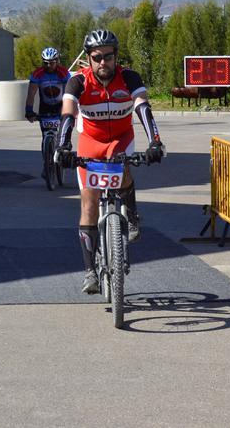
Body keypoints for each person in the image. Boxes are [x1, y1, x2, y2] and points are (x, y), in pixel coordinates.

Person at [55, 29, 165, 294]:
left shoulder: (129, 77)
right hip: (91, 141)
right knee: (89, 202)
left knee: (124, 170)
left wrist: (155, 141)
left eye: (108, 56)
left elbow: (142, 107)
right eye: (97, 57)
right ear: (88, 59)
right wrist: (63, 146)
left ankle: (132, 213)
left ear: (116, 56)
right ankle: (90, 271)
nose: (103, 62)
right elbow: (68, 113)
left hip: (121, 138)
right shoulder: (78, 82)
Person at [25, 47, 71, 174]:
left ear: (57, 61)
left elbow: (68, 93)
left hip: (61, 105)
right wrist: (29, 110)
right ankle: (46, 163)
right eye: (45, 63)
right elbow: (31, 94)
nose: (48, 65)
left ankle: (65, 145)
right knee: (45, 136)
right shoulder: (37, 74)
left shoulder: (63, 73)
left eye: (51, 63)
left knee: (65, 128)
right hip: (45, 106)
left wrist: (69, 111)